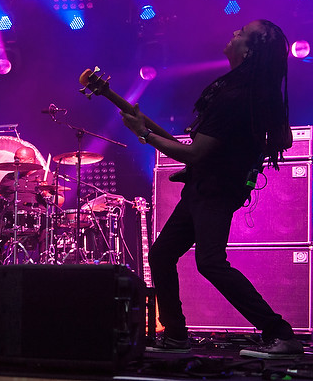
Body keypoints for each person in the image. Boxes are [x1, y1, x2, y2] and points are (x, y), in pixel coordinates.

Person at [121, 20, 303, 357]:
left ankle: (280, 332)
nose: (232, 33)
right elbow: (284, 139)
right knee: (162, 254)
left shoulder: (233, 94)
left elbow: (195, 151)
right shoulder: (259, 90)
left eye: (240, 33)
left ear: (248, 51)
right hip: (211, 185)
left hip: (214, 189)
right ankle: (176, 336)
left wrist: (143, 134)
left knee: (210, 262)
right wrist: (239, 156)